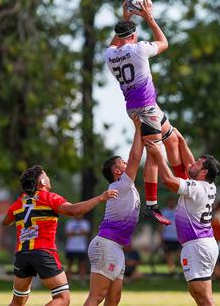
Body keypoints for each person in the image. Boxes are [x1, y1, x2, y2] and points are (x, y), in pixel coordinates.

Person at [105, 0, 187, 225]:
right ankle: (152, 205)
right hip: (146, 108)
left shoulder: (109, 56)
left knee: (174, 138)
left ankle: (186, 181)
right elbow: (164, 42)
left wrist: (126, 18)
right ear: (133, 36)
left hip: (135, 107)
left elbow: (115, 43)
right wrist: (149, 17)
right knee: (154, 153)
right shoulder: (139, 49)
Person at [2, 165, 118, 306]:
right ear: (42, 182)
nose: (48, 177)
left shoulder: (18, 203)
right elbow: (74, 210)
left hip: (22, 255)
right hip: (43, 252)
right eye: (45, 175)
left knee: (17, 302)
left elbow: (6, 222)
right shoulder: (49, 198)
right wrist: (100, 198)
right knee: (62, 298)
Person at [145, 129, 220, 306]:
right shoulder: (207, 185)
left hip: (198, 246)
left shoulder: (196, 188)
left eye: (197, 163)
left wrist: (159, 156)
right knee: (198, 294)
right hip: (200, 245)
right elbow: (188, 162)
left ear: (204, 172)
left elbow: (168, 180)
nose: (192, 164)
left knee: (204, 298)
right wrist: (179, 139)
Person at [83, 117, 143, 306]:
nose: (127, 163)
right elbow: (135, 158)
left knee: (114, 298)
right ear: (117, 172)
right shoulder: (122, 184)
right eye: (122, 163)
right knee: (97, 296)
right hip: (106, 245)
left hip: (115, 247)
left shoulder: (125, 186)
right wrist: (138, 129)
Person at [64, 215, 91, 284]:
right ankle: (68, 281)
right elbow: (68, 233)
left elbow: (86, 233)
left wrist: (74, 233)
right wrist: (80, 232)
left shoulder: (85, 223)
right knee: (69, 264)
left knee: (82, 264)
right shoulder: (69, 222)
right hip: (70, 247)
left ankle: (82, 281)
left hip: (81, 247)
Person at [160, 197, 181, 274]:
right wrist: (161, 237)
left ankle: (179, 271)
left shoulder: (178, 211)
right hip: (167, 237)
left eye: (172, 201)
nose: (171, 203)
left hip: (177, 237)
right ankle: (171, 271)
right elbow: (161, 226)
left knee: (179, 255)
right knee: (168, 255)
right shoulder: (164, 212)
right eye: (170, 201)